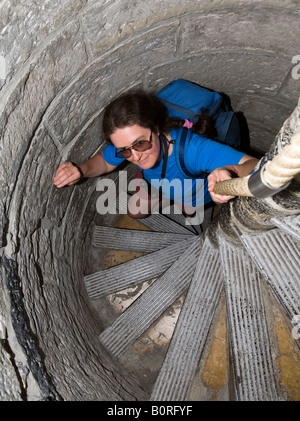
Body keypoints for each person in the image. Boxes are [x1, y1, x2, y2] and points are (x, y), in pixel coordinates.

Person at [53, 89, 258, 219]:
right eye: (124, 150)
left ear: (157, 129)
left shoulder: (193, 150)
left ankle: (178, 199)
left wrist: (229, 170)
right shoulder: (126, 146)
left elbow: (256, 165)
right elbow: (105, 162)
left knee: (189, 210)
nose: (135, 157)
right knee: (136, 211)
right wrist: (81, 170)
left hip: (196, 190)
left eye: (140, 143)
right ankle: (169, 196)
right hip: (161, 184)